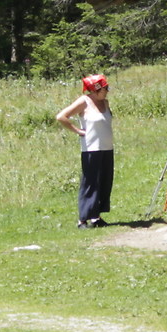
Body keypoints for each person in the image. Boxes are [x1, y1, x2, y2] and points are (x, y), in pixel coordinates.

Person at [54, 73, 116, 227]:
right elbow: (61, 116)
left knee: (104, 181)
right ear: (96, 89)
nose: (107, 90)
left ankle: (96, 216)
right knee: (90, 182)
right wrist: (78, 131)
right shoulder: (84, 101)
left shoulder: (106, 103)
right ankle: (83, 219)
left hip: (106, 147)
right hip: (91, 149)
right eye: (105, 88)